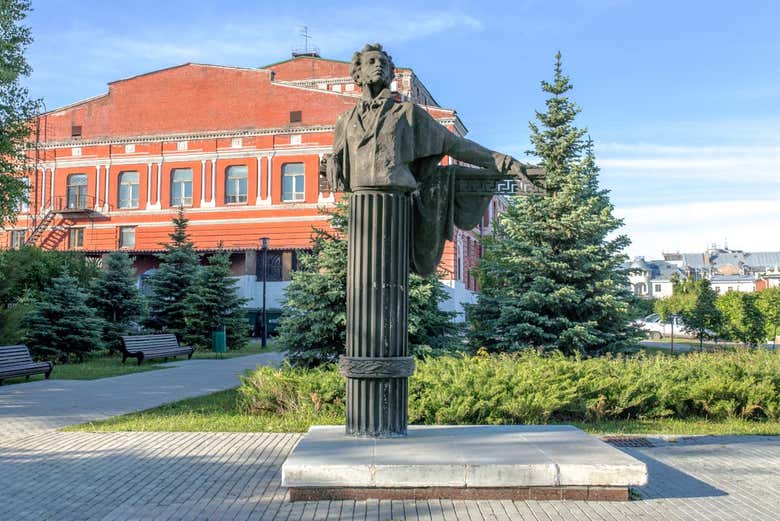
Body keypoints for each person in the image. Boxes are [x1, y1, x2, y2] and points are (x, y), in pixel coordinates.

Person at [327, 43, 537, 275]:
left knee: (387, 274)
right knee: (365, 274)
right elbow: (338, 160)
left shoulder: (406, 113)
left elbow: (455, 145)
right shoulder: (345, 120)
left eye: (384, 63)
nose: (379, 66)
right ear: (358, 73)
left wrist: (505, 162)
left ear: (390, 75)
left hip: (396, 203)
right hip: (361, 202)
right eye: (372, 62)